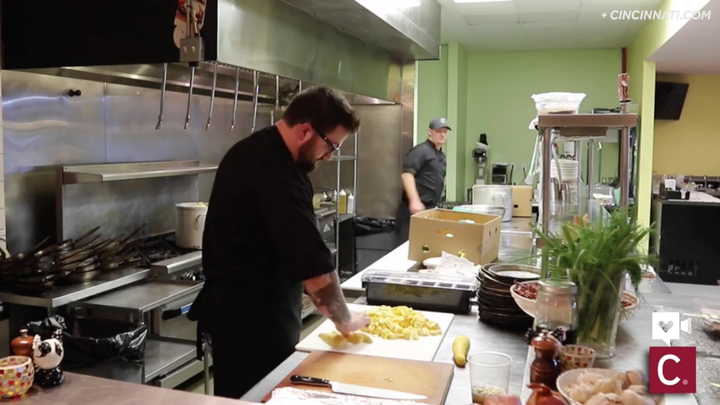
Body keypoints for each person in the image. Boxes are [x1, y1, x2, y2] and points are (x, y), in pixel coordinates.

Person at [188, 87, 370, 399]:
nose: (329, 156)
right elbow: (313, 265)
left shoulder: (255, 151)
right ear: (305, 131)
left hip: (249, 316)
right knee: (258, 396)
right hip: (252, 326)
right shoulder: (275, 171)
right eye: (331, 146)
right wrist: (345, 319)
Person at [394, 117, 451, 244]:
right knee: (407, 250)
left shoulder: (441, 156)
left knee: (424, 247)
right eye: (439, 131)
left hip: (429, 210)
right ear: (430, 132)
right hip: (412, 211)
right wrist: (414, 201)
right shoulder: (421, 151)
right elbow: (407, 175)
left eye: (445, 132)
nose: (442, 134)